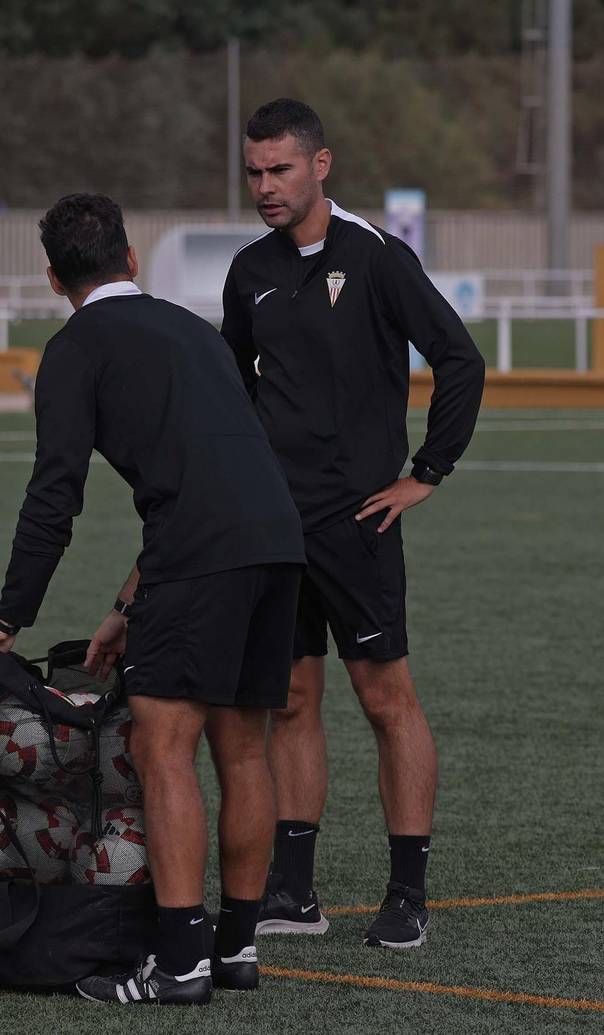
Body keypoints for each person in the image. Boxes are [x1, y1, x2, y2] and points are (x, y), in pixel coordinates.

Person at [0, 192, 306, 1005]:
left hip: (199, 555)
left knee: (162, 749)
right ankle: (235, 950)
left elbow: (55, 494)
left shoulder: (74, 347)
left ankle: (179, 965)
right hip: (277, 543)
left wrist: (8, 616)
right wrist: (126, 605)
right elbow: (216, 471)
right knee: (242, 751)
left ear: (53, 278)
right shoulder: (195, 330)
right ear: (133, 258)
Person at [220, 98, 486, 949]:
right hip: (273, 524)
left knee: (384, 699)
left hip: (356, 520)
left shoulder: (375, 257)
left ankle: (407, 893)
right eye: (254, 171)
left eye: (281, 169)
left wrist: (426, 472)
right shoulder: (247, 271)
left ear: (320, 165)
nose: (265, 186)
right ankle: (294, 893)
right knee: (292, 699)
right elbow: (235, 391)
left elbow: (460, 360)